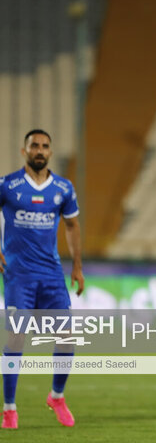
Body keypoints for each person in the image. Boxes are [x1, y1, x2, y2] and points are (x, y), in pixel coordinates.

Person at [0, 129, 84, 429]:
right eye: (34, 145)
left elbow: (72, 226)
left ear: (50, 152)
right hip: (18, 275)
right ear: (24, 151)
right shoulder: (7, 185)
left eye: (45, 146)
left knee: (66, 338)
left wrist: (76, 266)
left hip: (51, 274)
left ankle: (57, 396)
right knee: (16, 338)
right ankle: (9, 408)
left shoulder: (63, 188)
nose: (40, 150)